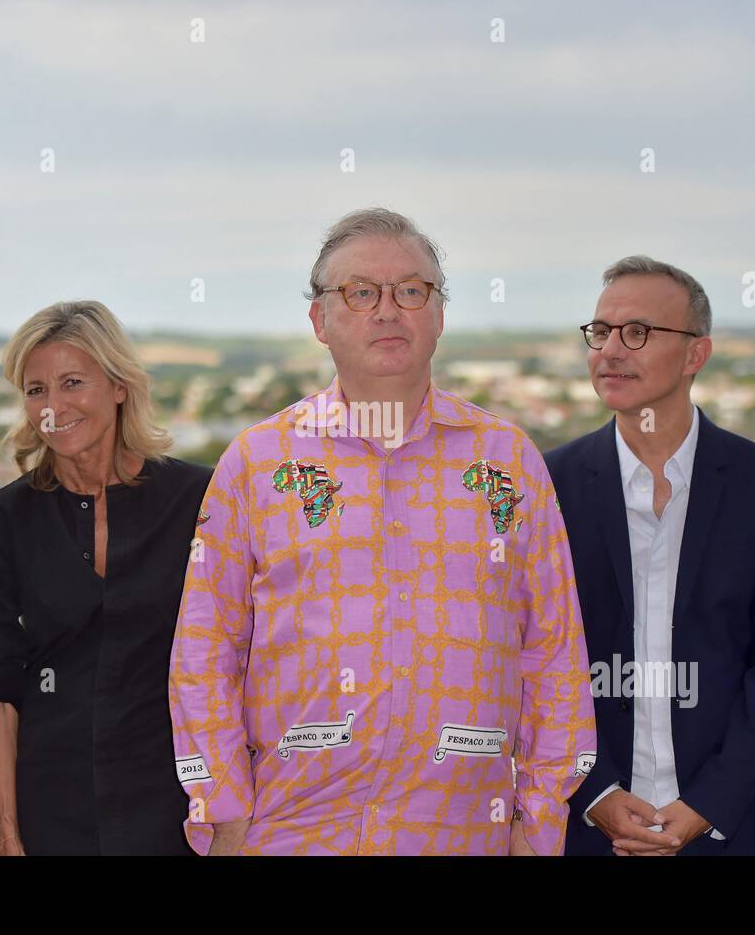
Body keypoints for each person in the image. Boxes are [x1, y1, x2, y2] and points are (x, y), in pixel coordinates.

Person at [168, 208, 595, 856]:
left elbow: (554, 652)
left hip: (464, 836)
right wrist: (223, 816)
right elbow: (203, 651)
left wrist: (537, 825)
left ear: (440, 313)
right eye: (361, 292)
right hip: (294, 835)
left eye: (412, 290)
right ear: (319, 319)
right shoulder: (258, 464)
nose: (388, 309)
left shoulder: (507, 463)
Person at [543, 256, 755, 856]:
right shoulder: (549, 484)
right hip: (587, 830)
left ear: (696, 354)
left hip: (723, 830)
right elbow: (537, 657)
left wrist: (707, 805)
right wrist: (596, 793)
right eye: (600, 332)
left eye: (637, 332)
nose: (611, 349)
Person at [0, 300, 210, 855]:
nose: (53, 407)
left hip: (182, 809)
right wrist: (6, 834)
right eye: (35, 390)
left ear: (119, 385)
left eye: (73, 382)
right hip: (55, 810)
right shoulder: (3, 522)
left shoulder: (200, 500)